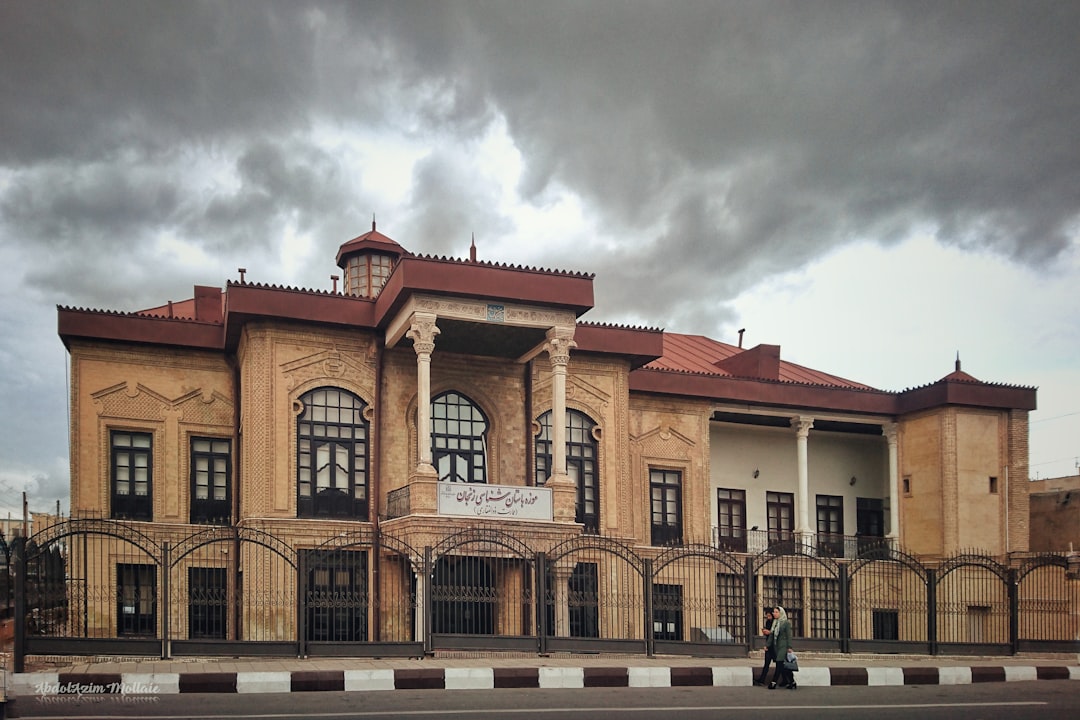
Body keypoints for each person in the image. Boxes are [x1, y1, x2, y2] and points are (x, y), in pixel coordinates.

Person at [768, 606, 796, 690]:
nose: (774, 614)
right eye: (774, 612)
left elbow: (789, 635)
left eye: (776, 612)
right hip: (777, 646)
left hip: (784, 646)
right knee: (783, 666)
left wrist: (789, 646)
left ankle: (773, 682)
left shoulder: (786, 623)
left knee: (779, 663)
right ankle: (792, 682)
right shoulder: (775, 623)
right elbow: (772, 635)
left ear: (781, 613)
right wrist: (767, 645)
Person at [755, 607, 775, 686]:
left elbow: (775, 633)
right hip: (769, 646)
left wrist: (769, 632)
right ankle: (762, 680)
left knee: (780, 665)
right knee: (766, 664)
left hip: (775, 646)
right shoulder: (768, 622)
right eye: (767, 616)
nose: (768, 617)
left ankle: (787, 680)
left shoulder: (776, 623)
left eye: (770, 616)